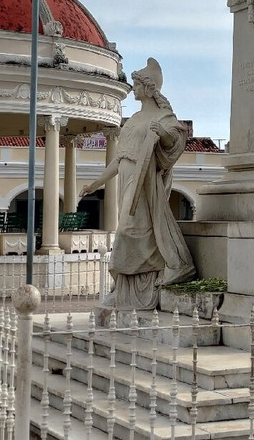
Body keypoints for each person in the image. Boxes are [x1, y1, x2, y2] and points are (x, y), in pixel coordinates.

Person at [79, 58, 195, 312]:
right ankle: (123, 289)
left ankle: (141, 282)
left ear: (149, 87)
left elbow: (175, 142)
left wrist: (161, 133)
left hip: (143, 182)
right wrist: (96, 183)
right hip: (126, 179)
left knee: (132, 231)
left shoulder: (164, 117)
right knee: (127, 228)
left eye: (136, 84)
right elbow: (119, 158)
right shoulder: (132, 120)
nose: (133, 88)